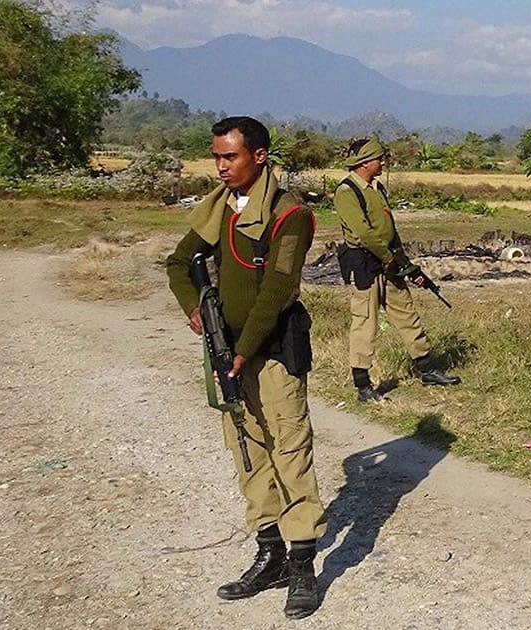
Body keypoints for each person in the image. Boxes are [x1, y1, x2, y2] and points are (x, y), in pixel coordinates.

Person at [166, 116, 326, 618]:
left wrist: (244, 348)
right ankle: (270, 551)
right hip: (228, 348)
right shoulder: (217, 209)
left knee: (289, 451)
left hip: (273, 350)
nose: (220, 167)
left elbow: (278, 292)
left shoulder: (289, 215)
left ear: (258, 157)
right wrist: (196, 311)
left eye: (229, 157)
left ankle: (303, 565)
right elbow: (177, 264)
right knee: (247, 451)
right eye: (216, 157)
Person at [333, 136, 461, 402]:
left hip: (389, 262)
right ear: (365, 163)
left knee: (406, 314)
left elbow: (389, 230)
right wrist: (386, 256)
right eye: (379, 159)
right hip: (366, 264)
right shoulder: (347, 192)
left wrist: (403, 261)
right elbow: (362, 232)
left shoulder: (376, 188)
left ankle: (427, 369)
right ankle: (363, 385)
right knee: (365, 323)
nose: (383, 163)